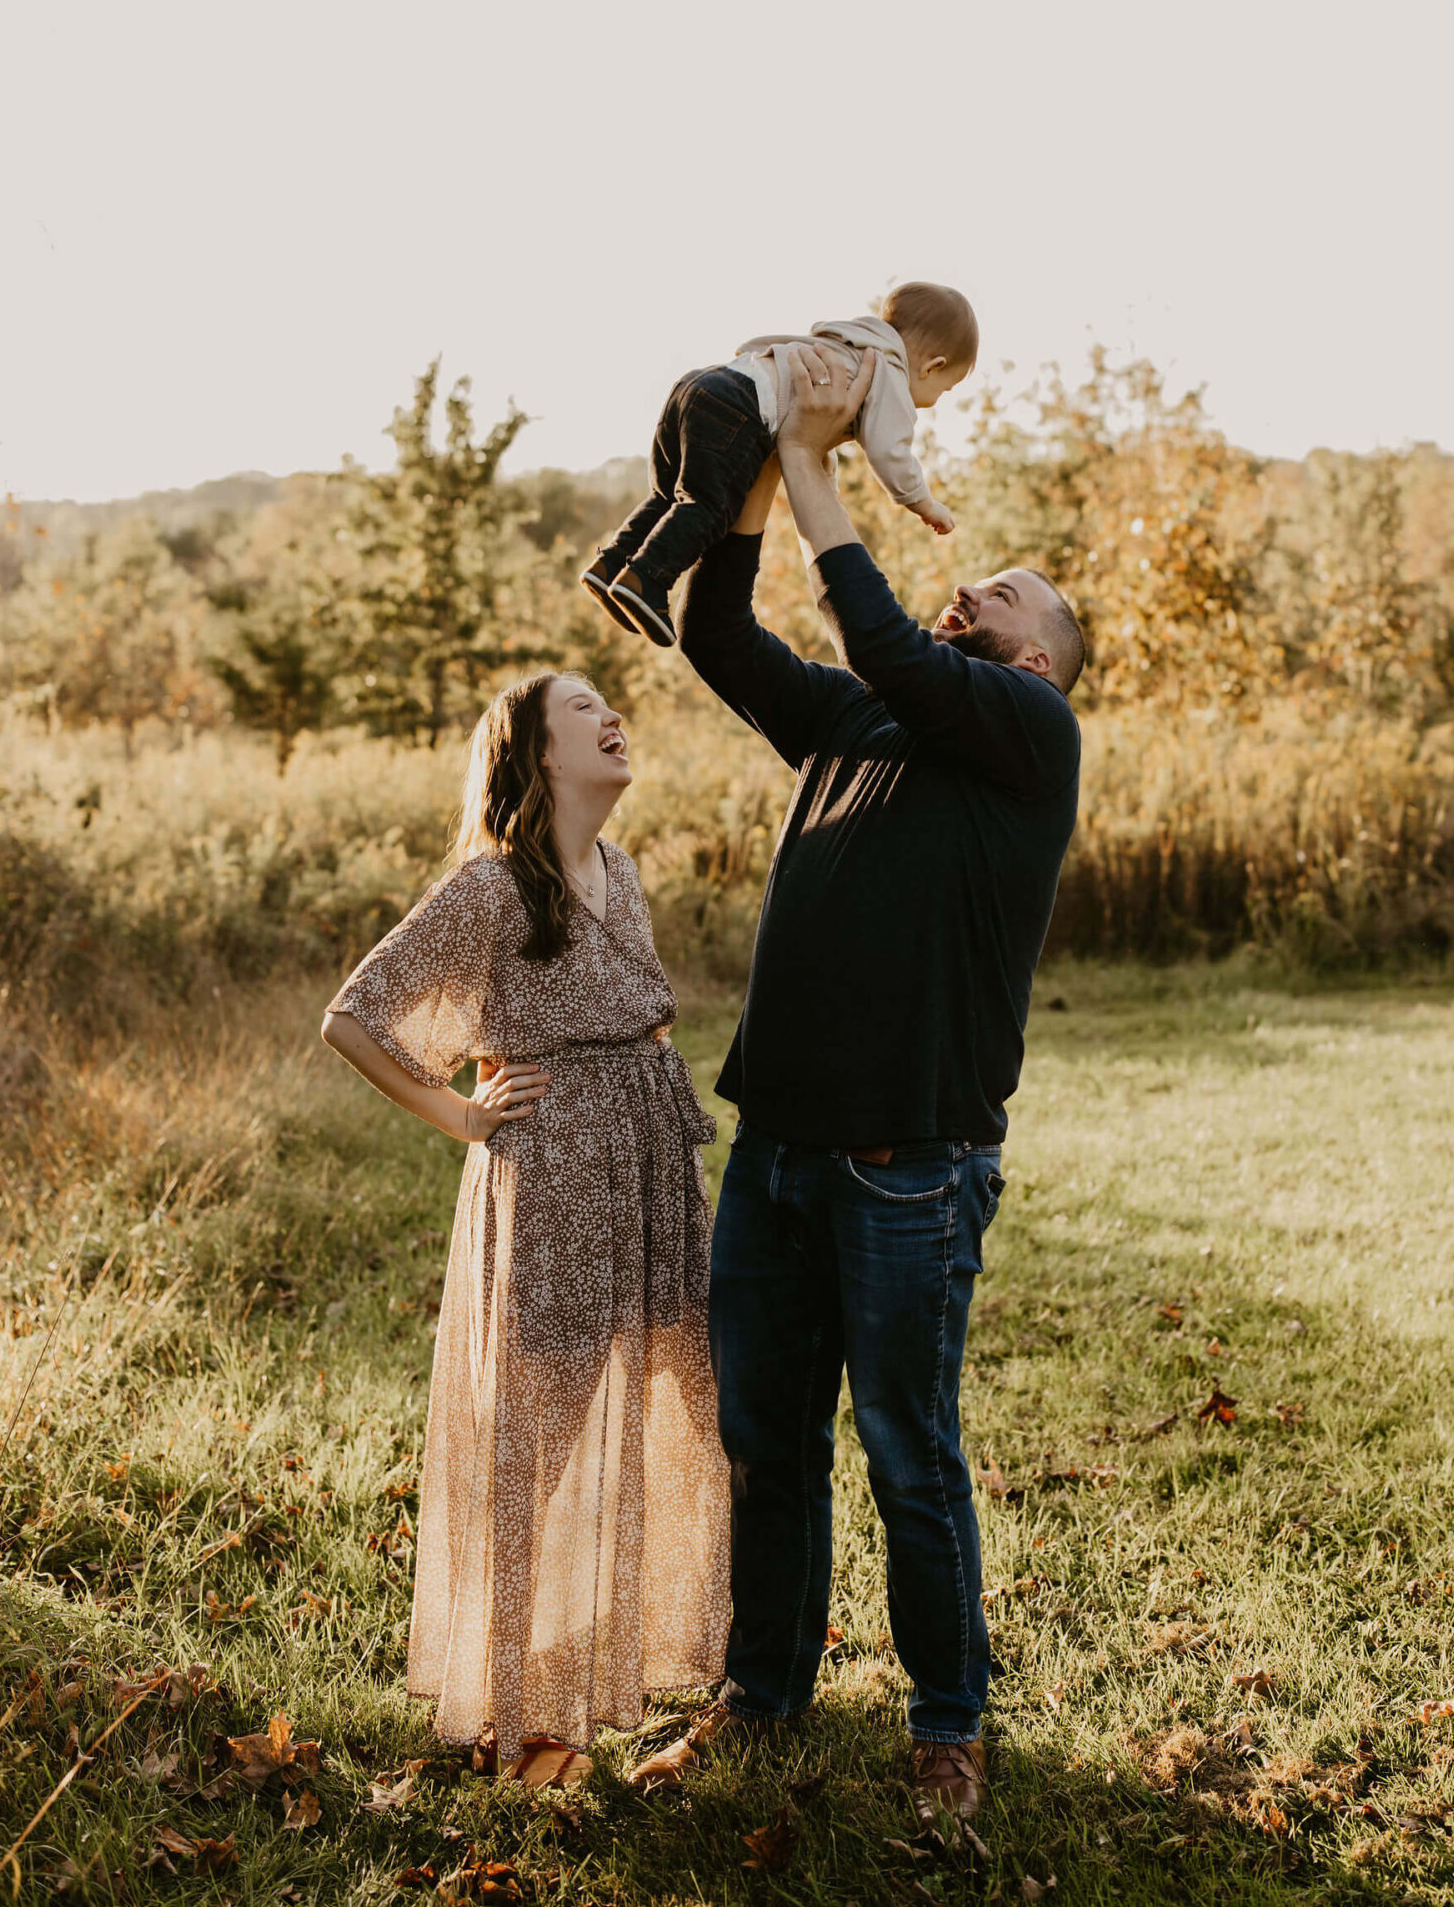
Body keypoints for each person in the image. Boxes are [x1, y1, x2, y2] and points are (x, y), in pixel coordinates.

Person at [632, 343, 1083, 1825]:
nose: (973, 591)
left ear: (1034, 657)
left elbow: (889, 638)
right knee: (766, 1444)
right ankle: (760, 1698)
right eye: (978, 580)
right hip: (776, 1154)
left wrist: (820, 464)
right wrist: (754, 481)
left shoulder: (1027, 736)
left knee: (905, 1451)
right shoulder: (855, 723)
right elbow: (718, 641)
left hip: (909, 1161)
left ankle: (944, 1724)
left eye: (1002, 592)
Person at [321, 673, 729, 1788]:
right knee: (541, 1447)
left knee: (654, 1419)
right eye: (585, 709)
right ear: (538, 753)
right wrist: (457, 1111)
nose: (614, 717)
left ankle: (604, 1679)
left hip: (643, 1171)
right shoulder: (494, 889)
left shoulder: (623, 872)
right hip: (550, 1183)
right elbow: (355, 1013)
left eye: (613, 702)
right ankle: (514, 1712)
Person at [580, 280, 978, 648]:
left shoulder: (847, 341)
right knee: (710, 505)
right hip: (742, 409)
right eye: (943, 390)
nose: (933, 400)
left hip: (704, 384)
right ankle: (647, 580)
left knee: (670, 495)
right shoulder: (889, 372)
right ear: (933, 366)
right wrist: (923, 502)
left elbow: (819, 440)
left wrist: (825, 490)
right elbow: (890, 449)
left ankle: (612, 563)